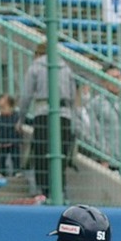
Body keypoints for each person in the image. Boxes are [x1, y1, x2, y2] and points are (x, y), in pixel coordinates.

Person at [21, 40, 78, 199]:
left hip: (43, 113)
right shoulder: (66, 68)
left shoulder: (36, 67)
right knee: (60, 154)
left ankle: (43, 191)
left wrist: (21, 118)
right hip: (64, 115)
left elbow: (26, 96)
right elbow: (73, 97)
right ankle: (59, 190)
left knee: (41, 153)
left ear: (38, 54)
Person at [84, 64, 121, 179]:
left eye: (119, 77)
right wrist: (101, 156)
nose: (118, 81)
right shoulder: (96, 104)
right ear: (104, 82)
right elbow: (91, 131)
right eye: (113, 78)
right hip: (106, 160)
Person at [0, 94, 21, 178]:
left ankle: (16, 171)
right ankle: (1, 171)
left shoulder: (16, 117)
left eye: (4, 108)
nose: (2, 111)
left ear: (11, 107)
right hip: (3, 142)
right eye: (0, 109)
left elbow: (21, 125)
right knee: (2, 158)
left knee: (15, 157)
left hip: (14, 142)